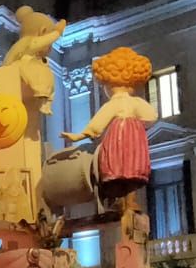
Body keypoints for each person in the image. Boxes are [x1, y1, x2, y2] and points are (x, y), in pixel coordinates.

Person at [61, 47, 158, 202]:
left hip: (119, 135)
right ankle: (133, 173)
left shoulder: (114, 103)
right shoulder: (136, 102)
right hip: (134, 138)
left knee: (117, 158)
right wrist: (136, 124)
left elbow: (98, 123)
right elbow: (151, 116)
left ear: (108, 85)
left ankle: (118, 175)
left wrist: (79, 135)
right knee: (132, 159)